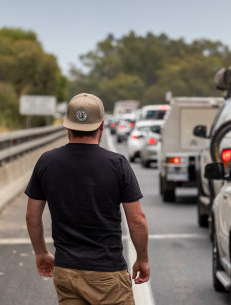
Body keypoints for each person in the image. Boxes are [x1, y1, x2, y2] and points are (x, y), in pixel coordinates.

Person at [25, 93, 149, 305]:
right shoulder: (117, 164)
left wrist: (41, 253)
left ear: (67, 126)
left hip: (66, 271)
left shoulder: (47, 161)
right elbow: (137, 220)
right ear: (101, 126)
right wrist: (143, 258)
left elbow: (31, 216)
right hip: (107, 274)